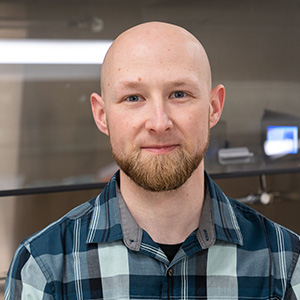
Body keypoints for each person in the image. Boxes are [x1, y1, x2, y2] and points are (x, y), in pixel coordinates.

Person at [5, 21, 300, 300]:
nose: (159, 123)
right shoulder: (43, 266)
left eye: (179, 94)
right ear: (101, 114)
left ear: (214, 107)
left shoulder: (286, 262)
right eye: (133, 98)